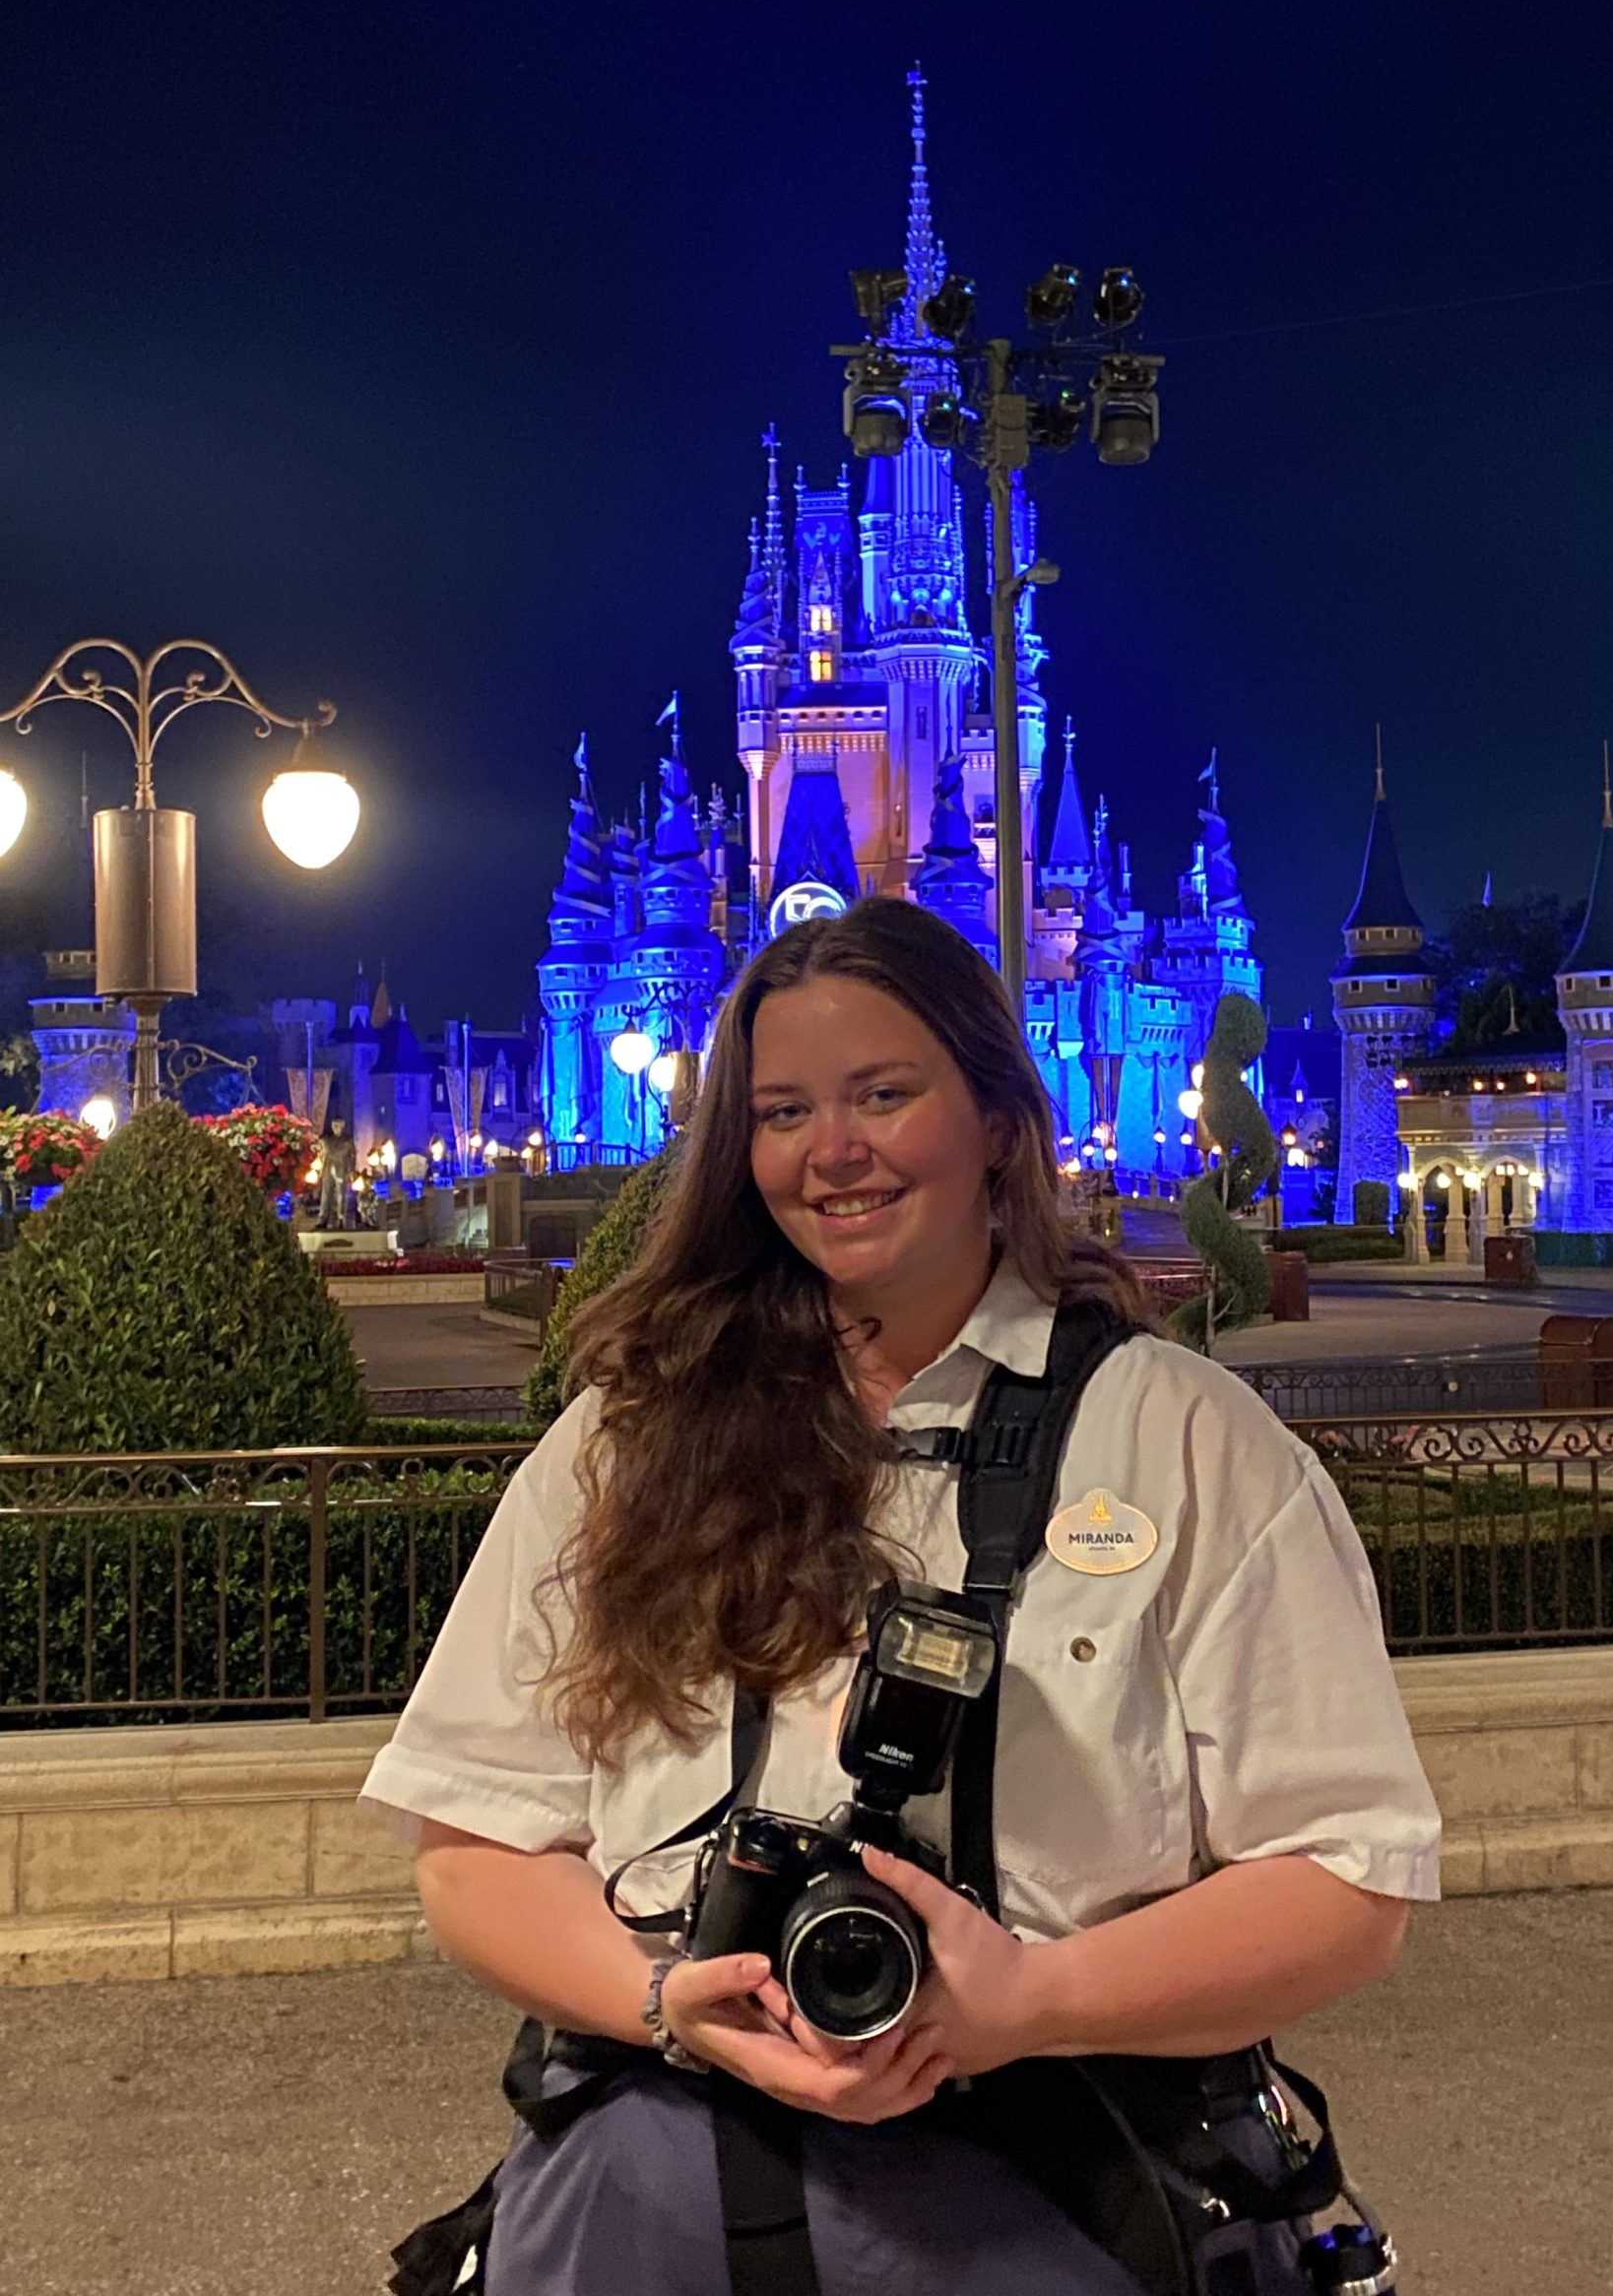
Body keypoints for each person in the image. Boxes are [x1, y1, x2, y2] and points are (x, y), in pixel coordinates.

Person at [359, 898, 1441, 2295]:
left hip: (1065, 2197)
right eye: (784, 1110)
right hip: (661, 2211)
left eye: (885, 1093)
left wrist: (1035, 1999)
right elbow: (475, 1846)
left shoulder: (1183, 1442)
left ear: (997, 1118)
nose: (835, 1149)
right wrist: (666, 1999)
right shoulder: (628, 1444)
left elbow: (1348, 1879)